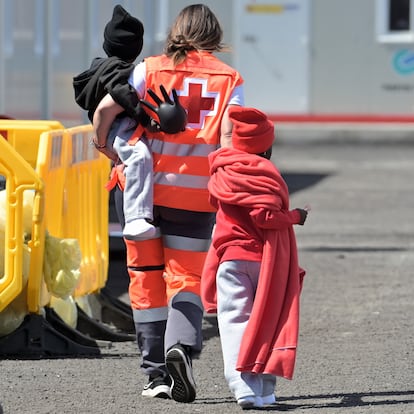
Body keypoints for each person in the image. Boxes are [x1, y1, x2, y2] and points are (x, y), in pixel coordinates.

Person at [93, 3, 244, 403]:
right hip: (196, 198)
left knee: (144, 278)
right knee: (186, 280)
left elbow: (106, 110)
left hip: (142, 193)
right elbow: (231, 138)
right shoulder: (230, 79)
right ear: (214, 36)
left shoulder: (151, 68)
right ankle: (181, 345)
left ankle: (155, 374)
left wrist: (105, 148)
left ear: (177, 30)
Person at [201, 107, 308, 409]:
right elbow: (265, 216)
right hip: (265, 260)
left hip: (230, 259)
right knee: (269, 320)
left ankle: (242, 386)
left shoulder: (222, 168)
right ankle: (265, 391)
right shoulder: (266, 174)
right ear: (267, 147)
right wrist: (296, 216)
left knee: (235, 320)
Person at [73, 4, 186, 240]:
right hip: (117, 126)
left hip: (112, 128)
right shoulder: (120, 71)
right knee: (139, 156)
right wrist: (145, 120)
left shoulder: (100, 66)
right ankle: (136, 217)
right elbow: (120, 98)